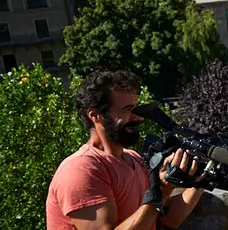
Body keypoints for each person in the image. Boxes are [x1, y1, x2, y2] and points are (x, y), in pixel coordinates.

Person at [46, 71, 203, 229]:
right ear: (96, 115)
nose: (139, 117)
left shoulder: (134, 159)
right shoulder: (81, 170)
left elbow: (169, 218)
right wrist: (162, 191)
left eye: (136, 109)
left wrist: (200, 178)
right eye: (127, 110)